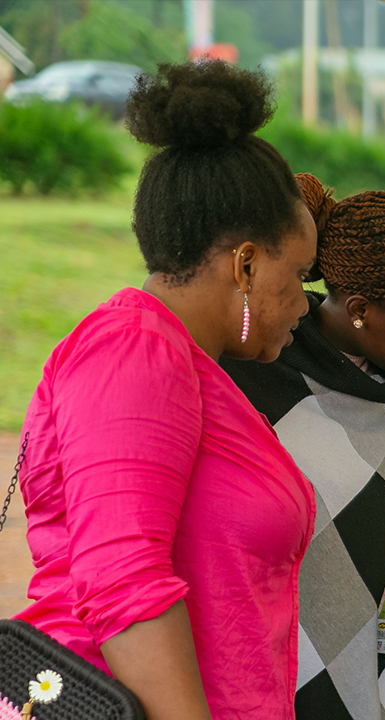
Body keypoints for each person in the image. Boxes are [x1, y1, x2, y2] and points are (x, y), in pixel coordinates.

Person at [15, 62, 317, 719]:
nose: (303, 302)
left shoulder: (190, 363)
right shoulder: (134, 350)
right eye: (297, 274)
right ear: (245, 263)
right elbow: (123, 578)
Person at [221, 173, 385, 720]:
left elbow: (364, 520)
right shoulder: (253, 376)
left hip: (363, 681)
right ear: (361, 308)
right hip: (267, 681)